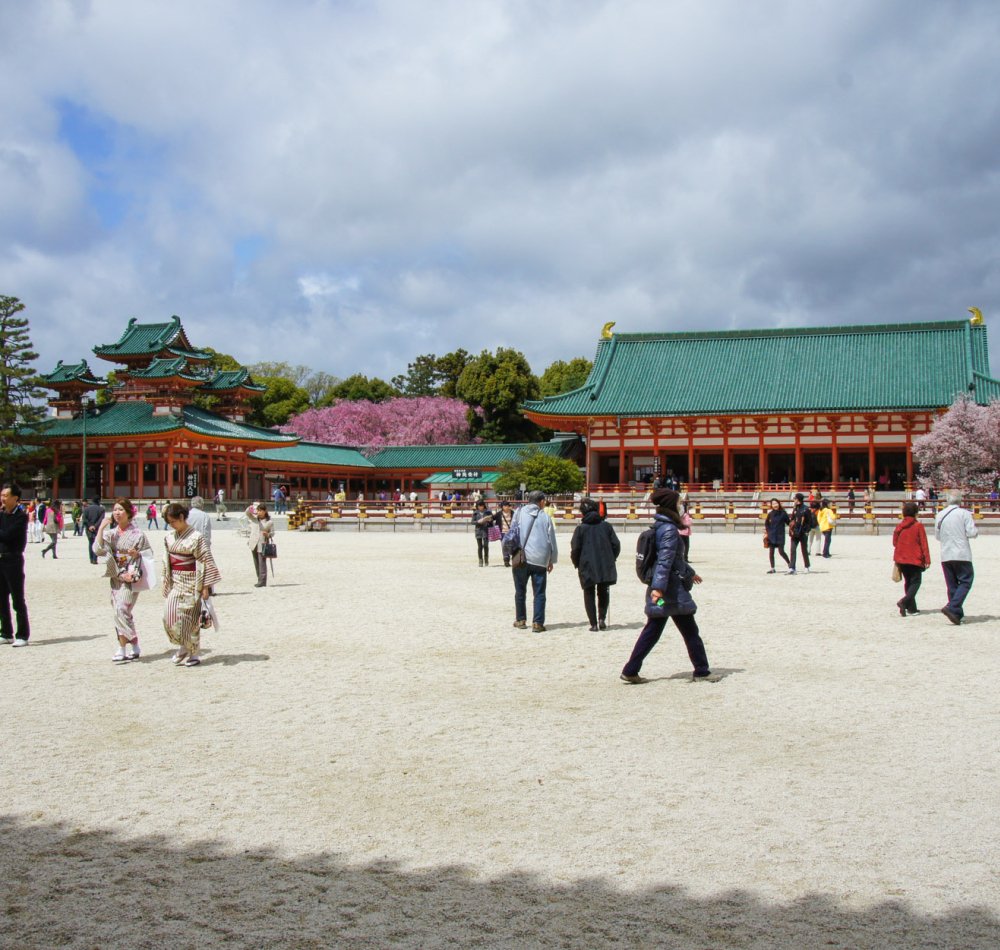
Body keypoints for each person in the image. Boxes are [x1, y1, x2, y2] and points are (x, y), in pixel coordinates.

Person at [621, 488, 710, 684]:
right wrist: (658, 588)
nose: (681, 507)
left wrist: (690, 572)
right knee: (688, 630)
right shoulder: (669, 530)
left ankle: (631, 669)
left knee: (654, 628)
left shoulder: (661, 527)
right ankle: (702, 671)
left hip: (663, 589)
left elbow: (674, 560)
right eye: (679, 503)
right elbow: (665, 561)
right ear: (671, 505)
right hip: (671, 591)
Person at [94, 498, 154, 662]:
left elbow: (149, 554)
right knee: (120, 612)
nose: (117, 513)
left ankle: (121, 648)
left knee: (122, 609)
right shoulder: (110, 534)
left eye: (121, 510)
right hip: (116, 576)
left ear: (129, 513)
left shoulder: (138, 534)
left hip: (131, 577)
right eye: (115, 510)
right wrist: (101, 528)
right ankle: (134, 644)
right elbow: (98, 550)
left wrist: (137, 554)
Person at [162, 503, 221, 666]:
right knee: (169, 617)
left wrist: (205, 587)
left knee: (191, 619)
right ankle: (183, 646)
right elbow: (166, 560)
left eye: (173, 521)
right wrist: (167, 579)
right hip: (176, 580)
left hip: (193, 580)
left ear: (182, 517)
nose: (171, 525)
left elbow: (205, 560)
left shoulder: (196, 537)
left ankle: (193, 653)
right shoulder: (168, 537)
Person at [510, 490, 558, 632]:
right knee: (539, 593)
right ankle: (537, 623)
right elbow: (552, 541)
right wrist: (551, 560)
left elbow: (512, 533)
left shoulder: (518, 513)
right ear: (541, 501)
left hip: (521, 558)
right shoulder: (546, 517)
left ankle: (520, 619)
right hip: (540, 559)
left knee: (520, 591)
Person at [570, 497, 621, 630]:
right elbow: (616, 545)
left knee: (589, 592)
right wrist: (612, 558)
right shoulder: (606, 526)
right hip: (605, 562)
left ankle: (593, 623)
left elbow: (575, 549)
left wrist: (577, 563)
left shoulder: (580, 529)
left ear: (582, 513)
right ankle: (602, 618)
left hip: (586, 564)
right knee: (603, 591)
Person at [934, 491, 978, 625]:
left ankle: (956, 614)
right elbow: (972, 532)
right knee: (966, 581)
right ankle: (952, 607)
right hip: (962, 553)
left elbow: (937, 536)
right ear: (960, 500)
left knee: (952, 584)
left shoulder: (940, 515)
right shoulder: (964, 513)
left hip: (946, 553)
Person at [0, 484, 30, 647]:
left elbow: (8, 536)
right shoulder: (1, 514)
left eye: (6, 495)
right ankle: (6, 632)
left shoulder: (21, 516)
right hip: (0, 559)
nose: (3, 498)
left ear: (15, 498)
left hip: (13, 560)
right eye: (1, 495)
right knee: (1, 598)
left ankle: (22, 635)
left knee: (17, 598)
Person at [893, 501, 930, 617]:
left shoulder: (899, 526)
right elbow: (924, 543)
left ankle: (911, 608)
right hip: (915, 558)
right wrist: (927, 558)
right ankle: (904, 602)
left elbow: (894, 542)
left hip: (901, 558)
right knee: (916, 582)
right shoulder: (918, 526)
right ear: (915, 512)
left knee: (908, 582)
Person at [247, 503, 274, 588]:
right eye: (258, 510)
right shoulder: (254, 519)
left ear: (265, 511)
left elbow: (272, 533)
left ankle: (263, 581)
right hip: (253, 543)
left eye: (260, 510)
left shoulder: (269, 522)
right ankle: (259, 579)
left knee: (262, 562)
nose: (259, 512)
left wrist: (268, 535)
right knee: (256, 562)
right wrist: (251, 507)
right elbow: (247, 513)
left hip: (262, 544)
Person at [787, 493, 813, 575]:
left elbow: (810, 521)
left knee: (804, 550)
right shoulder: (795, 508)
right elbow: (792, 519)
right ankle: (792, 567)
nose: (794, 500)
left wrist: (806, 531)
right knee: (793, 549)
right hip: (795, 532)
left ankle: (807, 566)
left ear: (798, 499)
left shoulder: (806, 509)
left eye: (795, 498)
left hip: (803, 532)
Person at [764, 498, 791, 573]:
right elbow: (766, 523)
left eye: (776, 503)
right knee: (771, 552)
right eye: (773, 504)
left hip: (780, 535)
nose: (775, 505)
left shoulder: (783, 513)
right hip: (772, 535)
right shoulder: (770, 514)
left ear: (779, 504)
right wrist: (768, 531)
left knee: (781, 551)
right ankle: (772, 568)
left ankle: (790, 564)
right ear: (771, 505)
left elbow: (788, 522)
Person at [82, 496, 106, 564]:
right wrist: (95, 526)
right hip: (97, 529)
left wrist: (89, 526)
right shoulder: (101, 509)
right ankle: (95, 559)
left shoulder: (86, 509)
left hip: (89, 529)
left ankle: (91, 559)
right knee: (96, 543)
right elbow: (101, 520)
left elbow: (84, 519)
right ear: (99, 501)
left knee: (90, 543)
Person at [471, 500, 494, 567]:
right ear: (477, 506)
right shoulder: (475, 513)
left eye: (482, 505)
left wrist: (489, 520)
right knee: (480, 547)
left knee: (486, 546)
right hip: (478, 531)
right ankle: (480, 560)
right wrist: (478, 522)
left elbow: (492, 521)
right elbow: (472, 522)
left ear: (484, 505)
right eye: (479, 506)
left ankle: (486, 560)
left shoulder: (488, 512)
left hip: (486, 530)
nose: (480, 507)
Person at [497, 501, 515, 567]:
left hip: (511, 532)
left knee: (511, 546)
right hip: (502, 532)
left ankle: (511, 558)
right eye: (504, 506)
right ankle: (506, 560)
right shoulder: (499, 514)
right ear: (502, 507)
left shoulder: (513, 513)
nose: (506, 507)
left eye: (507, 505)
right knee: (504, 546)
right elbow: (493, 518)